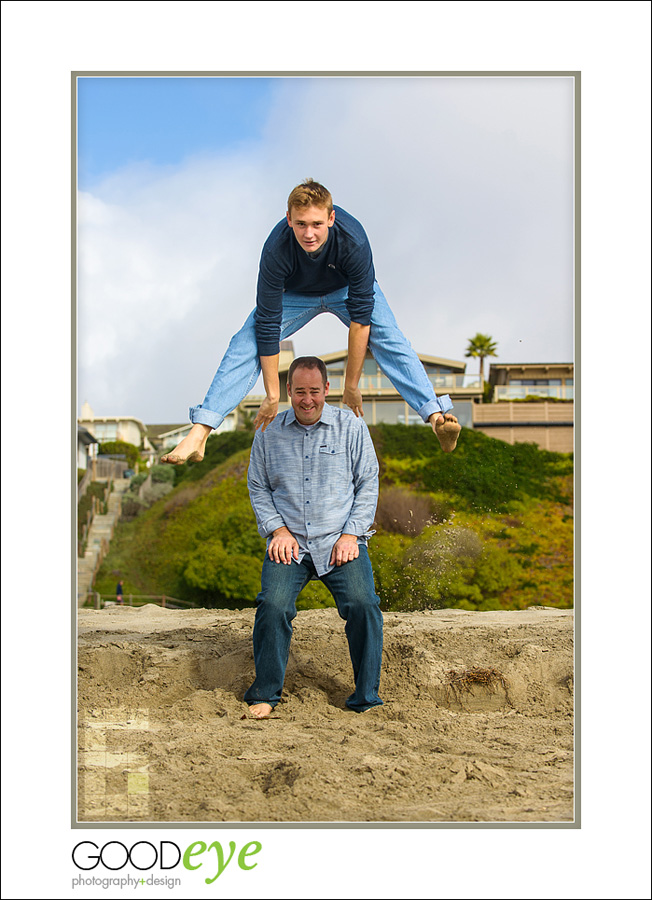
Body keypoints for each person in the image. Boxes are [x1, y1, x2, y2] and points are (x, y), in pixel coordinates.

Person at [162, 179, 461, 464]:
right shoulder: (275, 249)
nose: (309, 234)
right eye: (301, 224)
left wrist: (352, 385)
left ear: (331, 218)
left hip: (344, 289)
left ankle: (436, 417)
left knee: (390, 338)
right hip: (295, 295)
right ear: (289, 219)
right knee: (245, 340)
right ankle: (200, 431)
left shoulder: (353, 241)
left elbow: (361, 321)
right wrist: (272, 394)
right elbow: (267, 324)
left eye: (317, 224)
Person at [244, 355, 383, 719]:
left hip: (340, 539)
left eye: (315, 391)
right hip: (289, 542)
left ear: (327, 390)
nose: (308, 400)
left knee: (364, 605)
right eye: (300, 391)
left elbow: (368, 482)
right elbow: (258, 486)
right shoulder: (267, 430)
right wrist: (277, 529)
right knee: (272, 606)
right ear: (287, 390)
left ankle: (366, 698)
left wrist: (352, 534)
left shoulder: (350, 426)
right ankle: (265, 694)